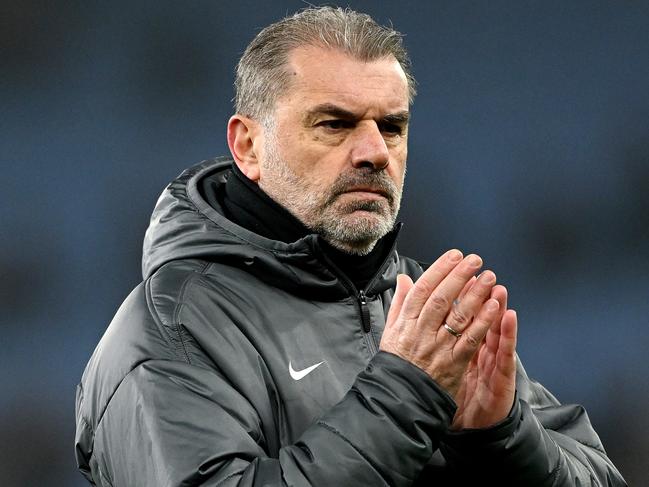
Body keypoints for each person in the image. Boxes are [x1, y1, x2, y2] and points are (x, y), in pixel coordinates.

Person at [75, 7, 626, 487]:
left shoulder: (422, 308)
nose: (374, 153)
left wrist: (501, 436)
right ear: (249, 145)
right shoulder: (173, 328)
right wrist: (405, 396)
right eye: (334, 124)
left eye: (391, 127)